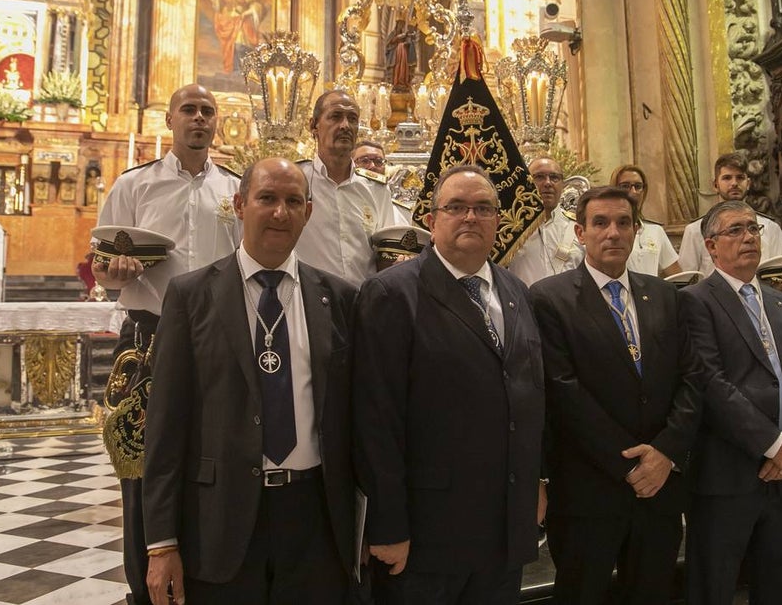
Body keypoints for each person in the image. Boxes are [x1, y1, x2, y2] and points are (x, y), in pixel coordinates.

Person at [142, 158, 357, 604]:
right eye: (267, 198)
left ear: (309, 212)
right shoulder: (191, 295)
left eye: (293, 201)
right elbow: (164, 427)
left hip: (314, 518)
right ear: (239, 205)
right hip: (221, 518)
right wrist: (161, 542)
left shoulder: (337, 298)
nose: (281, 212)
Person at [353, 165, 545, 605]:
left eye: (482, 208)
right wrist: (387, 525)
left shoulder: (516, 291)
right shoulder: (392, 294)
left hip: (503, 529)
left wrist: (536, 481)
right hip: (427, 535)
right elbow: (375, 420)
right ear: (431, 219)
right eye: (456, 207)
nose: (470, 218)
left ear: (500, 220)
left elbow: (530, 395)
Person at [92, 83, 241, 605]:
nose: (199, 118)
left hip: (220, 337)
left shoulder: (236, 190)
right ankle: (144, 587)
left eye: (208, 110)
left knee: (217, 455)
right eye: (189, 110)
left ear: (216, 122)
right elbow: (102, 270)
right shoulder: (136, 186)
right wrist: (116, 271)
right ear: (170, 120)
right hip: (150, 338)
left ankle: (208, 579)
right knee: (145, 465)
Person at [530, 185, 701, 603]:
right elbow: (563, 390)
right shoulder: (549, 299)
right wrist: (627, 464)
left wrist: (665, 453)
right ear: (580, 232)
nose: (613, 232)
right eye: (601, 223)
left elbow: (693, 379)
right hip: (588, 489)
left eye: (624, 223)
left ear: (636, 231)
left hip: (659, 487)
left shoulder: (665, 295)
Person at [681, 200, 782, 605]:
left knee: (781, 587)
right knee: (714, 586)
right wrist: (774, 445)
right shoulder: (696, 302)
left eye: (753, 228)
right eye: (735, 230)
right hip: (728, 473)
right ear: (711, 247)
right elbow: (711, 383)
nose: (748, 237)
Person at [296, 91, 399, 285]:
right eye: (335, 116)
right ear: (313, 125)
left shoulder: (376, 189)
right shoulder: (296, 181)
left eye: (352, 119)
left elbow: (386, 255)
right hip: (310, 302)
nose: (345, 126)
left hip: (362, 303)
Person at [678, 152, 782, 289]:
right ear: (715, 185)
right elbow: (688, 279)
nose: (734, 183)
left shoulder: (769, 227)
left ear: (748, 183)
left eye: (740, 178)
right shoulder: (695, 230)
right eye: (727, 178)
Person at [506, 156, 582, 286]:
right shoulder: (510, 231)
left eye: (554, 177)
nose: (548, 183)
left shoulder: (578, 229)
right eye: (539, 177)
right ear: (527, 182)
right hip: (525, 304)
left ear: (562, 185)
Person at [609, 164, 681, 277]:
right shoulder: (609, 232)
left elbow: (677, 275)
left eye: (638, 186)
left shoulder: (655, 231)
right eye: (625, 186)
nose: (633, 191)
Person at [207, 0, 266, 73]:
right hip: (229, 20)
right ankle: (234, 71)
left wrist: (246, 13)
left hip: (241, 21)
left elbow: (256, 6)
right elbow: (217, 3)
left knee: (239, 45)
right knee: (231, 47)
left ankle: (243, 72)